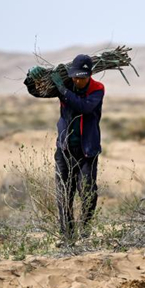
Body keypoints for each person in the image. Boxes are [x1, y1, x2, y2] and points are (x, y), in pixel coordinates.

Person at [28, 54, 105, 242]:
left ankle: (85, 231)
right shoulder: (66, 85)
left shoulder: (97, 89)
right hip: (64, 150)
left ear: (89, 75)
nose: (78, 81)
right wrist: (31, 79)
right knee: (64, 192)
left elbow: (83, 107)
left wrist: (62, 88)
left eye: (82, 77)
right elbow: (39, 92)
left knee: (88, 192)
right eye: (75, 77)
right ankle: (67, 236)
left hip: (88, 151)